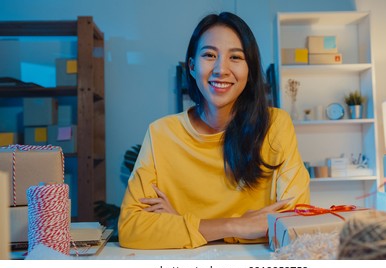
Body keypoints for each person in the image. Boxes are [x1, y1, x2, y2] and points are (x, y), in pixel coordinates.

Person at [118, 11, 310, 249]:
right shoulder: (160, 133)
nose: (221, 69)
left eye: (236, 57)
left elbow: (292, 223)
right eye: (209, 55)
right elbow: (132, 228)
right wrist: (236, 226)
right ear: (191, 65)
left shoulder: (275, 126)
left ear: (249, 70)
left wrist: (181, 223)